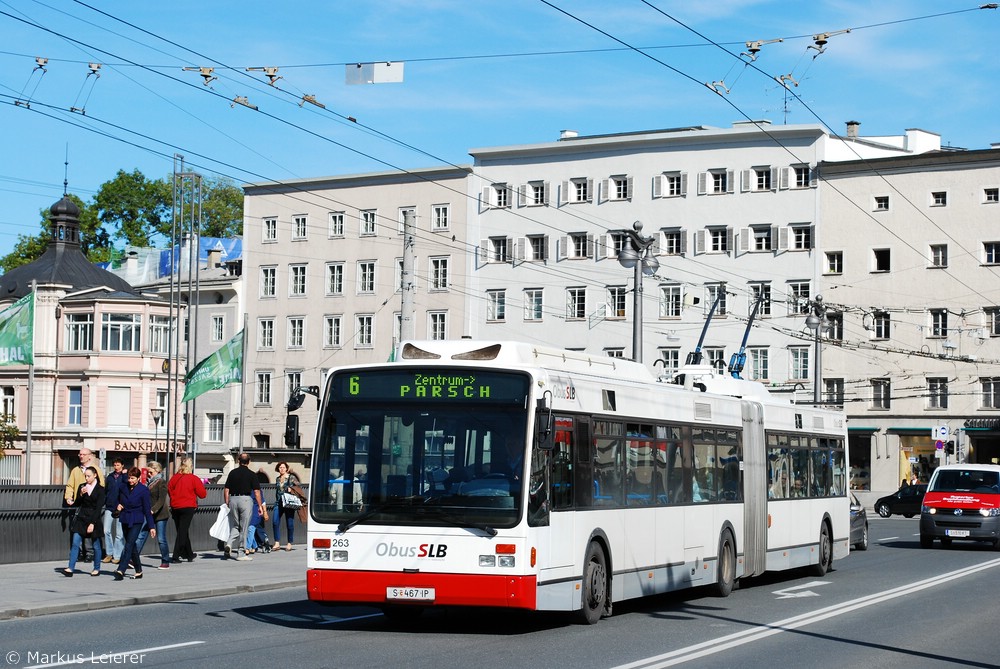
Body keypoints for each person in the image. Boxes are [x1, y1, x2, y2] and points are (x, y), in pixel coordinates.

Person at [114, 466, 155, 581]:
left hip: (137, 520)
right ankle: (139, 570)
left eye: (133, 478)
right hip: (125, 518)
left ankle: (121, 569)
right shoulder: (123, 487)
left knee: (129, 545)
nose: (130, 480)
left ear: (138, 478)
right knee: (131, 546)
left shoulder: (143, 490)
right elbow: (116, 499)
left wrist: (151, 526)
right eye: (129, 478)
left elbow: (147, 509)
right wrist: (118, 505)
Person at [62, 466, 105, 577]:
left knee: (96, 545)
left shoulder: (100, 490)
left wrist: (92, 523)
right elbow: (77, 503)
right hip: (81, 517)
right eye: (85, 476)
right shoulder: (82, 486)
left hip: (93, 518)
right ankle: (70, 568)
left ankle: (96, 568)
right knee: (76, 542)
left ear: (95, 475)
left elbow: (99, 508)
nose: (86, 478)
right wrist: (80, 495)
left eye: (88, 476)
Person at [223, 452, 264, 561]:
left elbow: (226, 489)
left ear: (238, 461)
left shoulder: (232, 473)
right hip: (245, 500)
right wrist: (260, 506)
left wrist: (227, 502)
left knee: (236, 525)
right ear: (249, 462)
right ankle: (241, 552)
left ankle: (229, 544)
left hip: (233, 499)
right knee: (244, 527)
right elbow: (257, 492)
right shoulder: (252, 474)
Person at [168, 457, 206, 563]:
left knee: (181, 530)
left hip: (175, 506)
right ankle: (176, 555)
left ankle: (189, 554)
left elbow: (169, 490)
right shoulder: (193, 478)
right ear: (191, 467)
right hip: (188, 506)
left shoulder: (174, 478)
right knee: (182, 531)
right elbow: (202, 494)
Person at [135, 461, 171, 570]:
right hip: (148, 514)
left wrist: (153, 510)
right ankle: (133, 558)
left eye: (151, 472)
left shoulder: (161, 482)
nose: (149, 474)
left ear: (157, 471)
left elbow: (161, 500)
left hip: (160, 514)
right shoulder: (147, 483)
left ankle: (165, 561)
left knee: (161, 539)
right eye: (148, 472)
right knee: (141, 536)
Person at [272, 461, 301, 551]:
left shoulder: (291, 477)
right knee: (275, 521)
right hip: (278, 502)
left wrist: (291, 488)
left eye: (283, 467)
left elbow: (298, 486)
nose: (282, 469)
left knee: (290, 523)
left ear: (286, 468)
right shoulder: (277, 479)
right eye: (280, 467)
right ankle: (277, 542)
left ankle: (289, 543)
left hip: (288, 503)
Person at [102, 459, 126, 565]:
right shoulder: (110, 477)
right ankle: (109, 553)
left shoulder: (125, 477)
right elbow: (106, 490)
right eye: (115, 465)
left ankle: (117, 555)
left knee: (119, 533)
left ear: (122, 465)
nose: (116, 467)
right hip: (110, 506)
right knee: (106, 530)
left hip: (120, 507)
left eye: (118, 465)